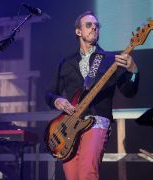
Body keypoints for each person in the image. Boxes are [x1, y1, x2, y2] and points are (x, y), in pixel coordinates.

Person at [45, 11, 139, 180]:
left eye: (97, 26)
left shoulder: (110, 59)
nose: (94, 28)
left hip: (97, 120)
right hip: (69, 126)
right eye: (89, 25)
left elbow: (128, 91)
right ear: (78, 31)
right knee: (72, 176)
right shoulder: (66, 62)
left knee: (87, 172)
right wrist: (57, 100)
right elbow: (49, 93)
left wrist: (133, 71)